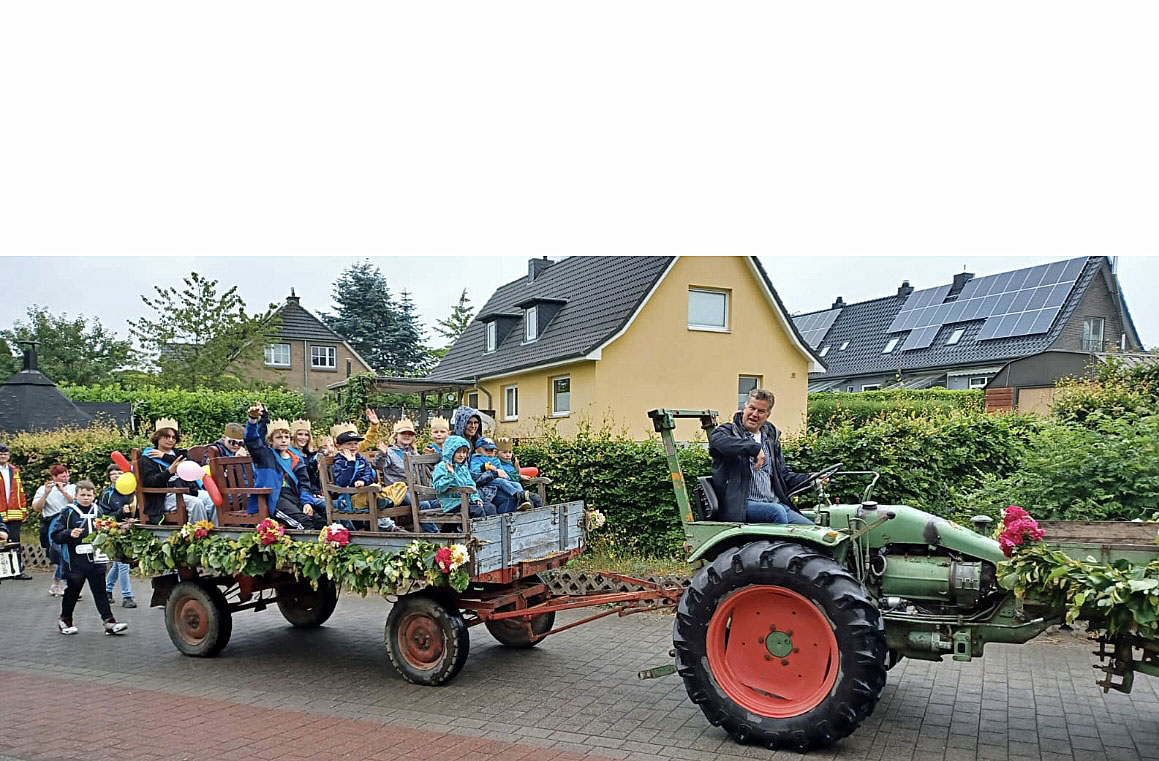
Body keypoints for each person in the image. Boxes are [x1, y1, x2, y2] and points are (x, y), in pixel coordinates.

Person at [708, 388, 819, 525]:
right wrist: (754, 448)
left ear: (767, 415)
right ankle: (781, 547)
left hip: (773, 502)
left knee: (813, 530)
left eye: (761, 411)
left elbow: (783, 476)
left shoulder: (770, 439)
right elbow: (716, 442)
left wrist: (811, 478)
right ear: (744, 408)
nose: (755, 414)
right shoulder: (729, 432)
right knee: (776, 512)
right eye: (752, 408)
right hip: (741, 506)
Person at [51, 480, 129, 635]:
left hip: (96, 559)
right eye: (82, 495)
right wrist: (69, 533)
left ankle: (109, 622)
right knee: (73, 591)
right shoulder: (68, 512)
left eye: (89, 495)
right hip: (75, 561)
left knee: (100, 591)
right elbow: (55, 535)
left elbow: (106, 527)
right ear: (76, 495)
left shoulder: (97, 510)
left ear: (94, 496)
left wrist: (118, 528)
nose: (86, 498)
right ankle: (65, 620)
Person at [245, 404, 326, 530]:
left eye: (286, 437)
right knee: (304, 524)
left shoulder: (296, 459)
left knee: (319, 522)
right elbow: (252, 440)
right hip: (274, 497)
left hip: (293, 496)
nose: (283, 440)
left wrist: (307, 503)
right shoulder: (265, 456)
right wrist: (253, 420)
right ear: (270, 441)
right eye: (278, 437)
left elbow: (304, 484)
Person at [137, 418, 218, 525]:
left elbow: (191, 467)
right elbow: (150, 482)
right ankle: (198, 535)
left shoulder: (181, 454)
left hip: (187, 490)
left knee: (212, 499)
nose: (171, 440)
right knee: (196, 504)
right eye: (167, 437)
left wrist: (165, 457)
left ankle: (216, 533)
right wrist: (169, 472)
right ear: (158, 438)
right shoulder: (147, 458)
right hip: (164, 496)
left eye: (173, 437)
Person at [32, 464, 75, 596]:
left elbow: (77, 503)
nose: (65, 478)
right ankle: (67, 586)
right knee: (59, 552)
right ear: (54, 477)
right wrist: (46, 494)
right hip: (53, 524)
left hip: (70, 522)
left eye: (67, 475)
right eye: (62, 476)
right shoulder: (43, 489)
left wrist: (64, 491)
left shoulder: (73, 488)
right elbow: (37, 508)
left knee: (68, 554)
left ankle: (58, 584)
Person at [98, 464, 136, 608]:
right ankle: (127, 596)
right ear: (109, 477)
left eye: (119, 472)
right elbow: (104, 516)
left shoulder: (132, 490)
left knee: (118, 563)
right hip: (115, 531)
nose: (116, 475)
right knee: (123, 564)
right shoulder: (106, 494)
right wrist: (121, 512)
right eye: (113, 473)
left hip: (130, 530)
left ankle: (107, 590)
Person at [434, 435, 495, 519]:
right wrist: (450, 474)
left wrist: (476, 498)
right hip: (452, 503)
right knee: (477, 510)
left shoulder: (462, 467)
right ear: (451, 452)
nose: (462, 455)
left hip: (466, 501)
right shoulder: (442, 467)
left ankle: (490, 531)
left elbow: (470, 484)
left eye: (464, 452)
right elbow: (438, 488)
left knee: (490, 508)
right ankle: (476, 531)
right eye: (458, 452)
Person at [372, 418, 417, 530]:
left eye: (410, 434)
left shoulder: (414, 453)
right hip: (398, 491)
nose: (407, 436)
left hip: (415, 489)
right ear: (396, 435)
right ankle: (427, 533)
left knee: (434, 501)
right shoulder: (390, 452)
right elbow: (378, 465)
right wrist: (383, 454)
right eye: (403, 433)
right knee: (422, 503)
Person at [470, 437, 530, 513]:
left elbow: (502, 471)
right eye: (486, 449)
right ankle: (517, 494)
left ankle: (522, 500)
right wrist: (485, 467)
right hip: (486, 483)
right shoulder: (476, 458)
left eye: (491, 450)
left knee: (516, 484)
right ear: (477, 450)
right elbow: (474, 470)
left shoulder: (495, 460)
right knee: (500, 481)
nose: (489, 452)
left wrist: (506, 476)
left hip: (498, 483)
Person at [0, 444, 31, 580]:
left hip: (14, 512)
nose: (3, 456)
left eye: (5, 454)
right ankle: (3, 571)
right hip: (0, 512)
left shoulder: (14, 471)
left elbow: (20, 492)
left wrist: (23, 510)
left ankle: (17, 570)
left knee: (15, 542)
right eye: (0, 454)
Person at [495, 437, 544, 509]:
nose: (508, 455)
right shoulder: (497, 464)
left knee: (536, 499)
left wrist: (517, 469)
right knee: (532, 499)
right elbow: (507, 476)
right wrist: (520, 476)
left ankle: (541, 516)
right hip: (506, 491)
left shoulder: (510, 464)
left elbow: (514, 475)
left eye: (510, 452)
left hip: (516, 491)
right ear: (496, 453)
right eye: (504, 452)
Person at [289, 419, 323, 498]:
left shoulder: (310, 455)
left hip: (313, 492)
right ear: (293, 436)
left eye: (306, 435)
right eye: (300, 434)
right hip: (297, 493)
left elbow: (313, 478)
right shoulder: (289, 454)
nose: (303, 438)